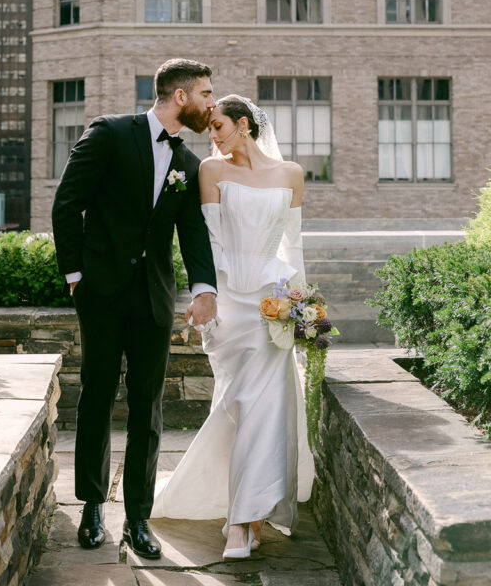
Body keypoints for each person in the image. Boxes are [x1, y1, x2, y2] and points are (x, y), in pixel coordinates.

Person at [51, 58, 218, 560]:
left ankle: (139, 518)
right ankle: (92, 506)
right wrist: (76, 275)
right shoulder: (108, 133)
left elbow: (192, 234)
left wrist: (203, 288)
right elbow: (67, 202)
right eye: (206, 93)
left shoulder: (189, 164)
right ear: (181, 96)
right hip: (100, 295)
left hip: (153, 300)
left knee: (148, 406)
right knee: (97, 396)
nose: (212, 103)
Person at [151, 94, 314, 559]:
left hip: (273, 305)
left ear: (243, 124)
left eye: (218, 127)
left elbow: (293, 246)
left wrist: (300, 306)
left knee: (265, 409)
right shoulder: (211, 171)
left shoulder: (291, 175)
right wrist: (208, 298)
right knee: (239, 408)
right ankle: (249, 509)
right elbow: (212, 241)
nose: (213, 138)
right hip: (230, 304)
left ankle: (243, 521)